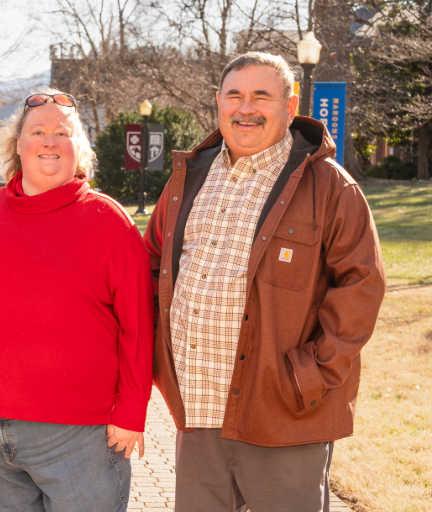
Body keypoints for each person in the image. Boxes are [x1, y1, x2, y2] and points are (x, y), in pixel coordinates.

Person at [143, 52, 387, 512]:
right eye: (234, 95)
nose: (245, 107)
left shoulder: (330, 186)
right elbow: (154, 262)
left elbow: (362, 285)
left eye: (261, 96)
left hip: (284, 413)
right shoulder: (188, 177)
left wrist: (313, 374)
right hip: (196, 410)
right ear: (218, 103)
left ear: (291, 107)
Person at [0, 89, 154, 512]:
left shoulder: (109, 222)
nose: (49, 141)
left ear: (79, 148)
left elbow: (139, 324)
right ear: (18, 145)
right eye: (37, 131)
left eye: (63, 132)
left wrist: (132, 411)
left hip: (78, 435)